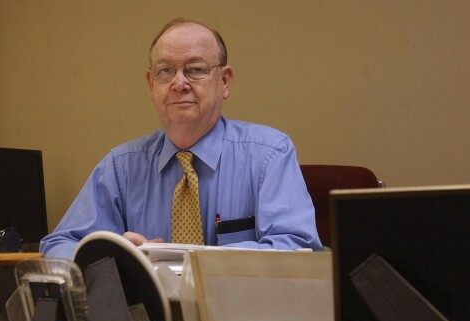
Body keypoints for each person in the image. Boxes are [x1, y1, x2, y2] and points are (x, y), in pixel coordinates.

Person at [40, 18, 321, 259]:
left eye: (195, 69)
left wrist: (196, 263)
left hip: (241, 318)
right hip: (148, 319)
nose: (179, 83)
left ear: (224, 82)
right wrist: (112, 255)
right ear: (152, 85)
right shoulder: (121, 166)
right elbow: (56, 246)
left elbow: (297, 249)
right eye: (165, 71)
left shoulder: (269, 155)